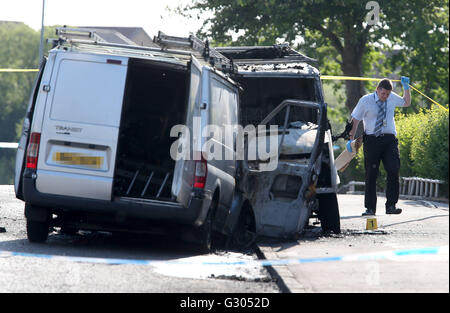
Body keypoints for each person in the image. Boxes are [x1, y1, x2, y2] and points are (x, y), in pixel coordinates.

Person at [348, 77, 411, 216]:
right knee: (371, 173)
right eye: (383, 94)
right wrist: (350, 139)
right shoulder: (365, 100)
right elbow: (355, 120)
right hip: (372, 140)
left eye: (388, 94)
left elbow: (406, 103)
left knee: (393, 169)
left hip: (389, 140)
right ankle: (370, 208)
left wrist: (406, 88)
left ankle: (391, 206)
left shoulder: (392, 98)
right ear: (377, 90)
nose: (385, 97)